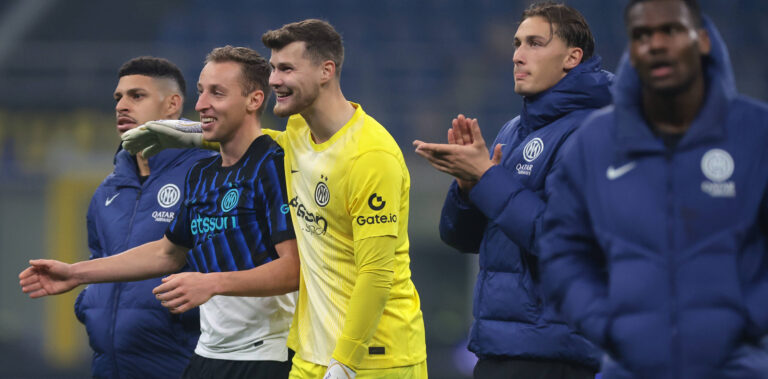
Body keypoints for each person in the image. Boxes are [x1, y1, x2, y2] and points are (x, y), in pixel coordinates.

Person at [121, 19, 428, 379]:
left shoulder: (371, 156)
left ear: (326, 71)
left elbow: (376, 274)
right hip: (311, 356)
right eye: (273, 68)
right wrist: (189, 134)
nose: (273, 80)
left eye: (286, 69)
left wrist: (345, 362)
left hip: (375, 359)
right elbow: (258, 141)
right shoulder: (300, 131)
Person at [20, 46, 300, 379]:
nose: (201, 104)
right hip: (208, 355)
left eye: (217, 93)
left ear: (254, 100)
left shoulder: (275, 165)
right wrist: (76, 273)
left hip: (266, 356)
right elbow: (168, 252)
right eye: (201, 91)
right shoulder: (202, 174)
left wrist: (211, 283)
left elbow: (294, 269)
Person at [538, 0, 768, 377]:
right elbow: (562, 250)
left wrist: (746, 322)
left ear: (703, 41)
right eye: (642, 35)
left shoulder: (756, 133)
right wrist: (605, 325)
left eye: (671, 31)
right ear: (631, 49)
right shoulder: (596, 141)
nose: (655, 44)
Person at [412, 2, 609, 378]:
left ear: (572, 57)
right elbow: (461, 238)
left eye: (535, 43)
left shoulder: (595, 133)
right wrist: (468, 186)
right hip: (499, 347)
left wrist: (487, 177)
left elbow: (562, 240)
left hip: (554, 354)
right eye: (517, 43)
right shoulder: (513, 130)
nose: (518, 55)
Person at [75, 56, 209, 379]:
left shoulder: (207, 173)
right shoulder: (107, 190)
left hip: (180, 362)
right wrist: (88, 304)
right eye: (118, 97)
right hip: (108, 365)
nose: (122, 105)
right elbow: (99, 259)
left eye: (137, 96)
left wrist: (184, 316)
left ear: (172, 104)